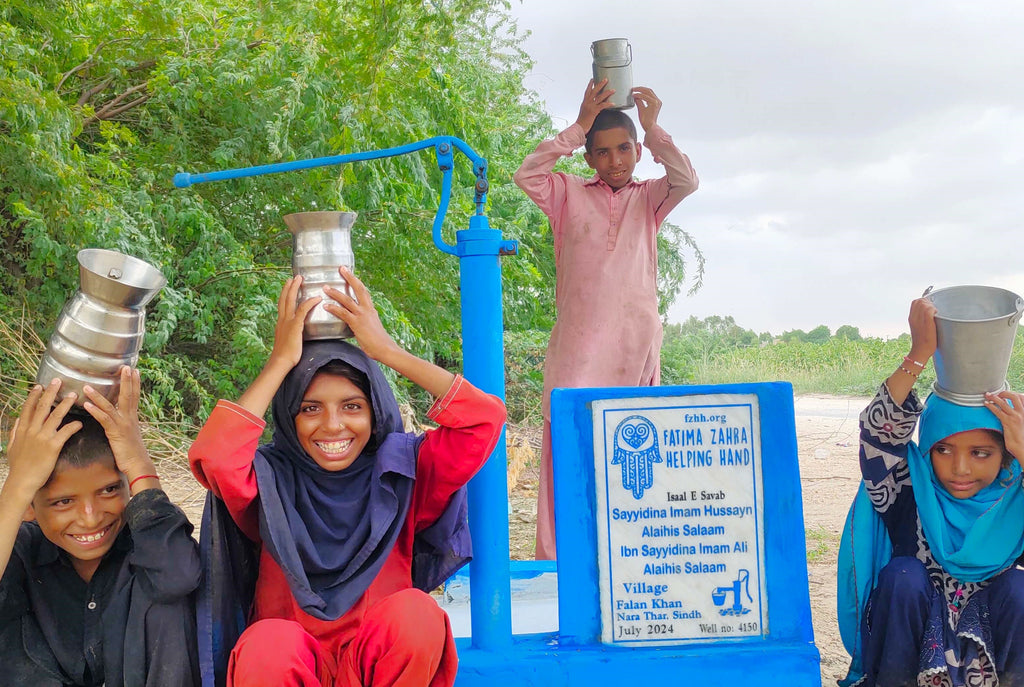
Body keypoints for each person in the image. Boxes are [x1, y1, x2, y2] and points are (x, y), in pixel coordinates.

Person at [188, 268, 506, 687]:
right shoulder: (268, 479)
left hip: (380, 666)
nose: (333, 425)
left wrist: (387, 351)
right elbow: (214, 457)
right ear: (289, 416)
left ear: (375, 410)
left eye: (352, 406)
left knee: (415, 615)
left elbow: (484, 420)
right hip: (292, 666)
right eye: (310, 408)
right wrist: (280, 361)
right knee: (266, 643)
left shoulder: (404, 471)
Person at [513, 79, 699, 559]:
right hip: (578, 347)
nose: (615, 160)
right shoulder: (566, 195)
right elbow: (527, 175)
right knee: (569, 446)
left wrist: (655, 129)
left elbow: (687, 180)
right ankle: (559, 560)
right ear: (590, 158)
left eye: (623, 149)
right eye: (603, 151)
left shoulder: (650, 198)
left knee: (632, 452)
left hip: (634, 347)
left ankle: (630, 554)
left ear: (637, 152)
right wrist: (577, 128)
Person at [838, 297, 1024, 687]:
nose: (959, 469)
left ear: (1006, 455)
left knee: (1018, 587)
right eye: (942, 449)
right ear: (927, 449)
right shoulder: (907, 491)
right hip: (905, 660)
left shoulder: (1017, 497)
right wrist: (919, 353)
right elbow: (877, 436)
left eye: (980, 453)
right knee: (903, 575)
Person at [0, 367, 201, 687]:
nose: (91, 518)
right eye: (63, 502)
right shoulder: (19, 550)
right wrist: (18, 485)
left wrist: (140, 464)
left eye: (109, 490)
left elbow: (178, 578)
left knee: (167, 601)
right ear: (29, 506)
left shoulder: (149, 539)